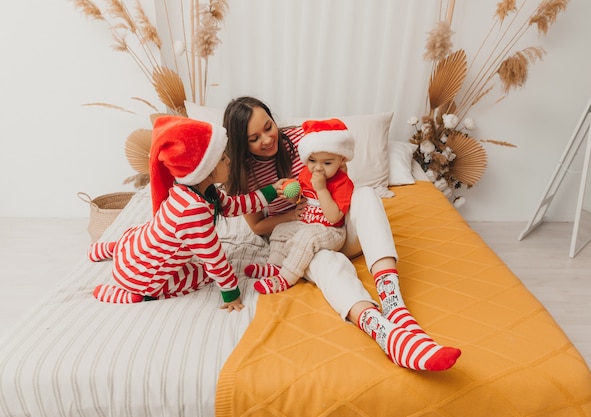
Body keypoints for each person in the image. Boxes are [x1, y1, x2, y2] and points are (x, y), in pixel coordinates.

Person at [223, 96, 461, 371]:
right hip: (303, 238)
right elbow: (256, 227)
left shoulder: (301, 140)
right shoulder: (242, 175)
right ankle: (383, 332)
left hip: (338, 227)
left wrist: (325, 181)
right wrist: (289, 215)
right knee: (321, 258)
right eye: (254, 138)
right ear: (242, 144)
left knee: (367, 195)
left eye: (268, 126)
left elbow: (341, 173)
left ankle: (394, 304)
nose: (267, 139)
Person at [88, 115, 284, 311]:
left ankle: (111, 249)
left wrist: (272, 190)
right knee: (202, 275)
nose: (229, 161)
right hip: (140, 278)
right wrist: (231, 294)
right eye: (223, 159)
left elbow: (234, 206)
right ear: (206, 170)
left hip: (131, 248)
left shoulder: (192, 189)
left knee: (139, 233)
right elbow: (214, 259)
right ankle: (131, 295)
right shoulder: (194, 211)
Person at [250, 118, 356, 295]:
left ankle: (285, 277)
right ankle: (275, 265)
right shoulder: (306, 173)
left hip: (331, 231)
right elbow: (301, 199)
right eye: (312, 161)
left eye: (327, 163)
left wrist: (321, 188)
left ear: (342, 160)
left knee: (306, 237)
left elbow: (334, 217)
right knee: (280, 230)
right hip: (306, 223)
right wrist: (292, 196)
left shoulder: (342, 183)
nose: (317, 168)